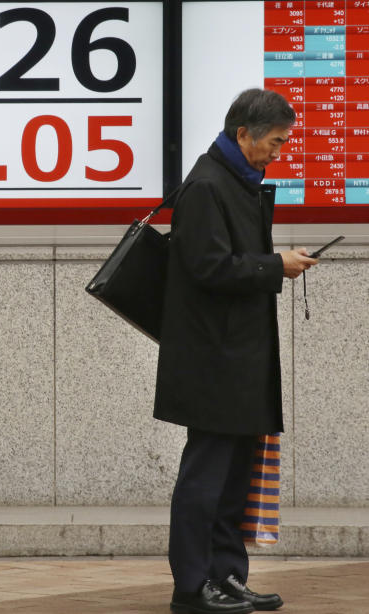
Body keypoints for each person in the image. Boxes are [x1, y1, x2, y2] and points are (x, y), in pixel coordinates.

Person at [154, 88, 316, 613]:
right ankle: (192, 587)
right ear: (242, 132)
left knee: (233, 481)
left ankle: (226, 576)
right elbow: (208, 267)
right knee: (205, 480)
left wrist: (272, 262)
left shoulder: (239, 182)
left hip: (239, 360)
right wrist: (276, 266)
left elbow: (228, 261)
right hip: (213, 362)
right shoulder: (205, 185)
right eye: (274, 141)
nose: (279, 151)